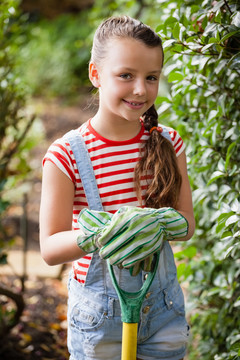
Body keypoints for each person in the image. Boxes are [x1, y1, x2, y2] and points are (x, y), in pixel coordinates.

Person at [39, 15, 195, 360]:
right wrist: (102, 233)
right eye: (126, 75)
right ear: (95, 74)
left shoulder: (168, 142)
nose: (141, 89)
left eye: (151, 77)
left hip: (163, 309)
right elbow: (49, 248)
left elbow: (186, 224)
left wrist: (156, 223)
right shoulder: (67, 154)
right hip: (98, 319)